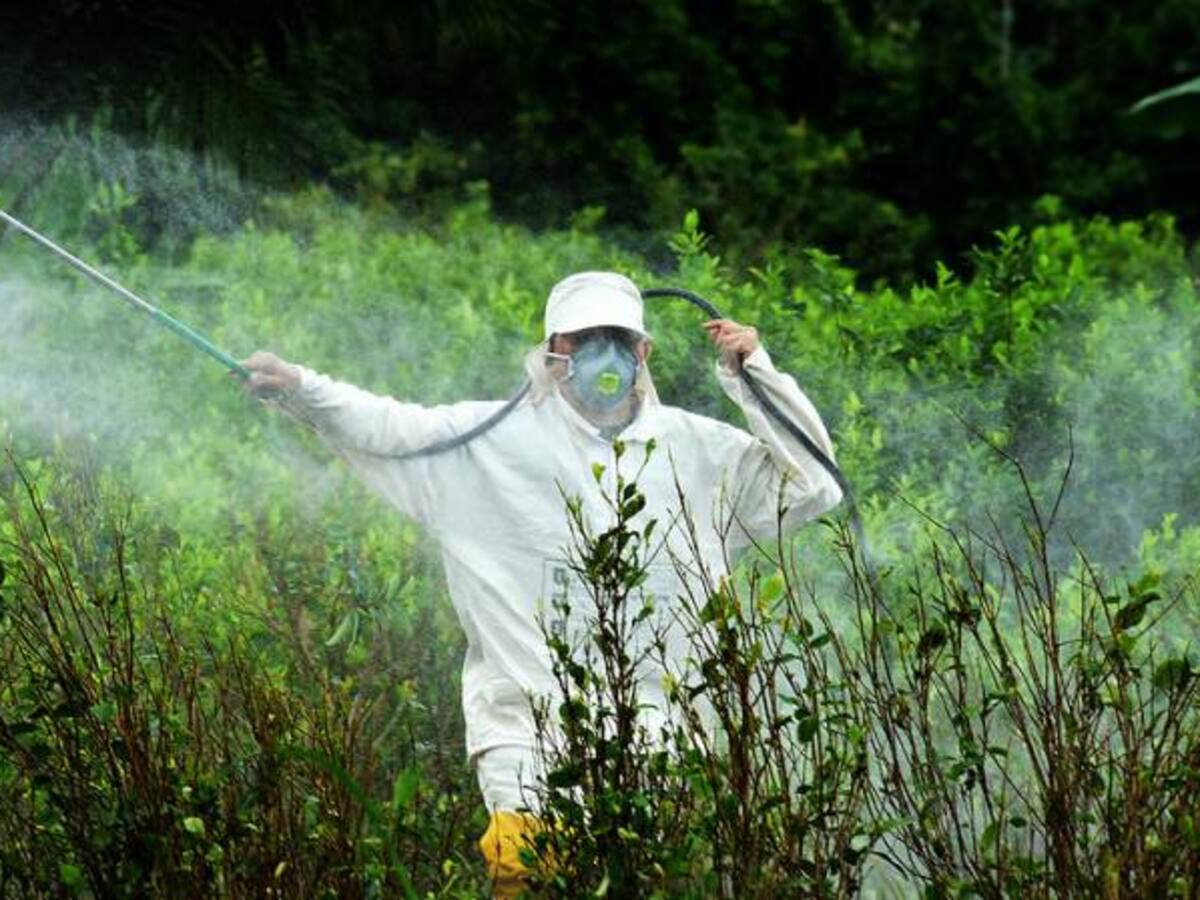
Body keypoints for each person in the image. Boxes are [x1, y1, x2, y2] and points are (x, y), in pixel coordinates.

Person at [242, 271, 842, 897]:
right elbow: (388, 428)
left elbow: (813, 484)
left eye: (617, 338)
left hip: (661, 736)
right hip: (523, 729)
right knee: (525, 872)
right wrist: (301, 389)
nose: (601, 353)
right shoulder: (488, 441)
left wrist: (754, 374)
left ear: (644, 352)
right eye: (584, 338)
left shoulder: (699, 451)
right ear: (553, 353)